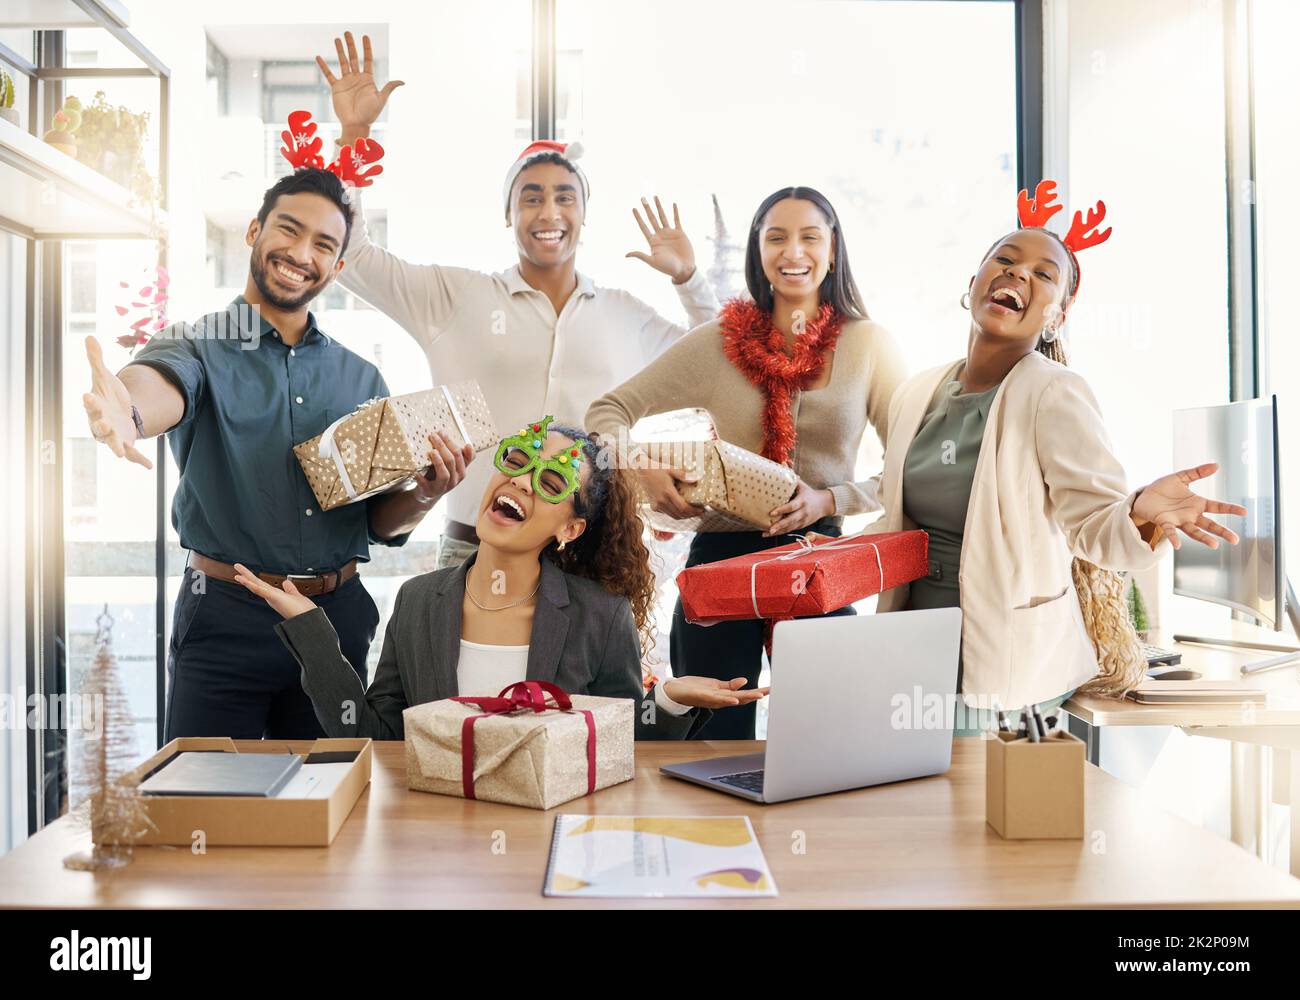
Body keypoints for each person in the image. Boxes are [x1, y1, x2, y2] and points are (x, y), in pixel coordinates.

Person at [81, 167, 473, 740]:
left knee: (331, 810)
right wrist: (128, 414)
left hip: (334, 619)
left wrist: (425, 494)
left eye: (323, 245)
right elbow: (159, 385)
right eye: (289, 229)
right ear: (254, 231)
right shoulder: (196, 343)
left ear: (337, 267)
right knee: (204, 805)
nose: (300, 252)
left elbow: (381, 524)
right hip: (224, 617)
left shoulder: (360, 377)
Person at [314, 31, 720, 570]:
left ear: (583, 214)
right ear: (509, 215)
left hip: (587, 550)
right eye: (531, 197)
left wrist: (689, 278)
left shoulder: (625, 315)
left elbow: (718, 354)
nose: (548, 211)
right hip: (471, 549)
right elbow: (356, 256)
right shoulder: (456, 296)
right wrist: (354, 134)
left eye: (564, 197)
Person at [858, 182, 1246, 733]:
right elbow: (896, 510)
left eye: (1044, 275)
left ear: (1057, 316)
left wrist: (1139, 511)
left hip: (1001, 657)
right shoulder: (917, 391)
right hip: (913, 640)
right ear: (973, 285)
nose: (1019, 274)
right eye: (1007, 260)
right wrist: (831, 549)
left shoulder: (1053, 393)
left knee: (963, 810)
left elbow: (1093, 528)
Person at [586, 187, 907, 739]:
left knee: (831, 733)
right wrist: (637, 464)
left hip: (818, 558)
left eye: (810, 237)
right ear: (757, 251)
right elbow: (607, 409)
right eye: (776, 237)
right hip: (721, 559)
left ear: (833, 252)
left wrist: (831, 500)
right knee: (712, 735)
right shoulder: (717, 342)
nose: (793, 252)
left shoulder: (870, 345)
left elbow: (910, 461)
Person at [233, 418, 768, 739]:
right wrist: (313, 633)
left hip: (549, 835)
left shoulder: (599, 615)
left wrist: (671, 698)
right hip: (437, 838)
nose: (522, 481)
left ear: (571, 528)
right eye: (518, 459)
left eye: (553, 480)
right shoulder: (418, 601)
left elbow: (620, 742)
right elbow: (374, 735)